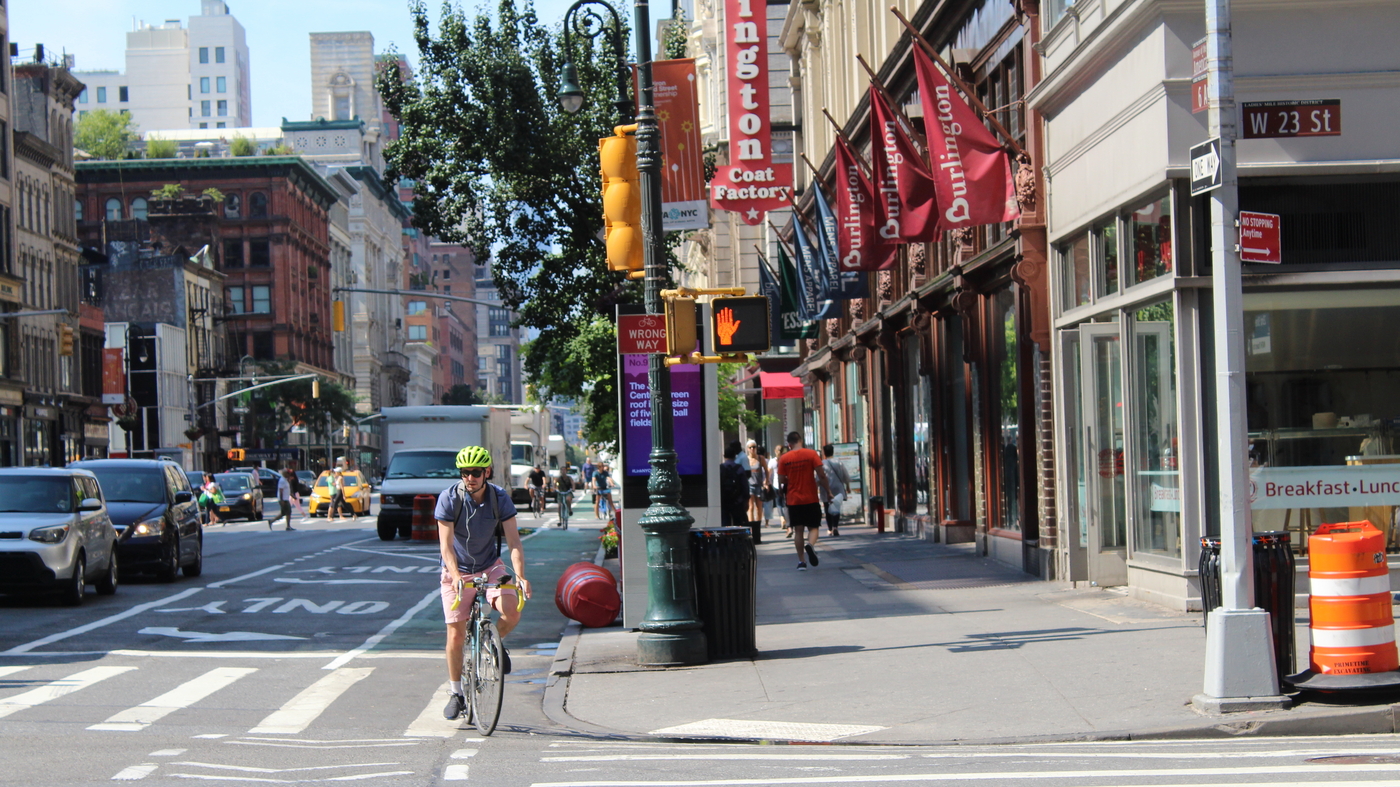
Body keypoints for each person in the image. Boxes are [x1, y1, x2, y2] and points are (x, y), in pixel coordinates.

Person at [437, 445, 532, 721]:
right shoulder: (449, 499)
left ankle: (493, 642)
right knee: (455, 634)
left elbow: (514, 542)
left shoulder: (499, 498)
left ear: (487, 472)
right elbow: (445, 547)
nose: (470, 478)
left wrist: (521, 576)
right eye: (465, 473)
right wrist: (455, 576)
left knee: (512, 611)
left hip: (490, 566)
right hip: (457, 570)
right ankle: (457, 693)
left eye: (476, 472)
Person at [776, 431, 827, 571]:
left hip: (793, 499)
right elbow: (821, 474)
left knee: (798, 531)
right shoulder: (811, 454)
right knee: (814, 527)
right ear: (801, 440)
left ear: (789, 444)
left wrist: (790, 480)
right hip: (810, 497)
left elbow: (781, 480)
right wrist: (828, 491)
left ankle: (801, 561)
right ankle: (810, 545)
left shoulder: (784, 458)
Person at [821, 444, 852, 537]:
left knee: (827, 507)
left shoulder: (822, 463)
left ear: (824, 453)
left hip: (826, 488)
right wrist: (848, 486)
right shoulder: (839, 462)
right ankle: (835, 527)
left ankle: (830, 529)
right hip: (837, 487)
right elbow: (845, 475)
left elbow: (819, 477)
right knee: (836, 507)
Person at [719, 441, 750, 529]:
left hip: (724, 500)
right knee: (739, 522)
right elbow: (745, 485)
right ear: (734, 456)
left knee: (725, 523)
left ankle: (726, 539)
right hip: (737, 500)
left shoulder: (720, 468)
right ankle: (739, 540)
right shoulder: (739, 468)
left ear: (724, 456)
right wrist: (746, 500)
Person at [769, 446, 788, 536]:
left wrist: (767, 482)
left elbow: (768, 473)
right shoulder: (785, 459)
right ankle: (786, 519)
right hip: (786, 483)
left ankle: (782, 518)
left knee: (779, 503)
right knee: (785, 503)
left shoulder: (773, 461)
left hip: (776, 484)